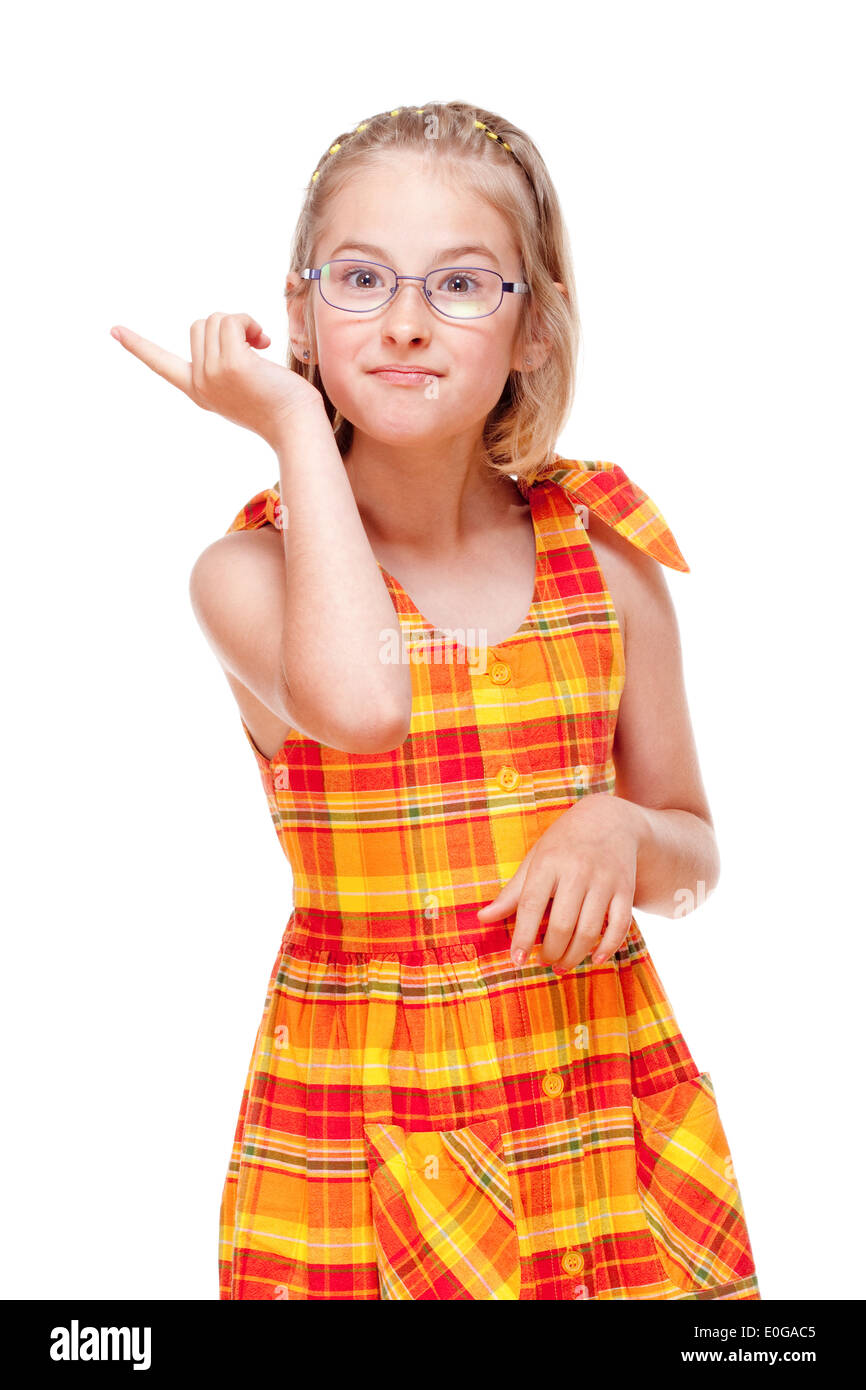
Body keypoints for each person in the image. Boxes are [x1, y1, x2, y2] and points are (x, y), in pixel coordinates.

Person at [110, 100, 761, 1301]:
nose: (405, 324)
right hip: (371, 1138)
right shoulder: (247, 577)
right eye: (358, 279)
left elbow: (696, 857)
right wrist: (294, 421)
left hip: (605, 1111)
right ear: (299, 310)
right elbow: (360, 707)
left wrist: (623, 832)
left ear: (529, 329)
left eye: (462, 285)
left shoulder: (607, 560)